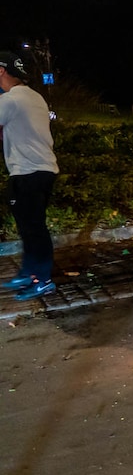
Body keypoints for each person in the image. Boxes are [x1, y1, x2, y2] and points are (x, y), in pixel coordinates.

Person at [0, 51, 59, 300]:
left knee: (34, 229)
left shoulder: (11, 100)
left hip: (29, 172)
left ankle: (43, 279)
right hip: (41, 170)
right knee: (29, 227)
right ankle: (29, 271)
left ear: (1, 71)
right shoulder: (35, 97)